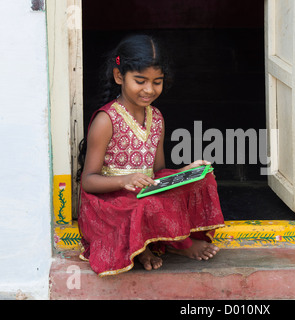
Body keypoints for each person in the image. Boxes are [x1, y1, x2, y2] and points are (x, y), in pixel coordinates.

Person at [77, 34, 225, 277]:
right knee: (148, 204)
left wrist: (185, 173)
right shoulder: (107, 120)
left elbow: (158, 173)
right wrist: (124, 181)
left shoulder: (156, 117)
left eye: (157, 81)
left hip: (144, 194)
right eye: (140, 80)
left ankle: (150, 243)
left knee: (201, 180)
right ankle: (169, 245)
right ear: (118, 76)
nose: (149, 89)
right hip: (112, 201)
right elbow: (89, 181)